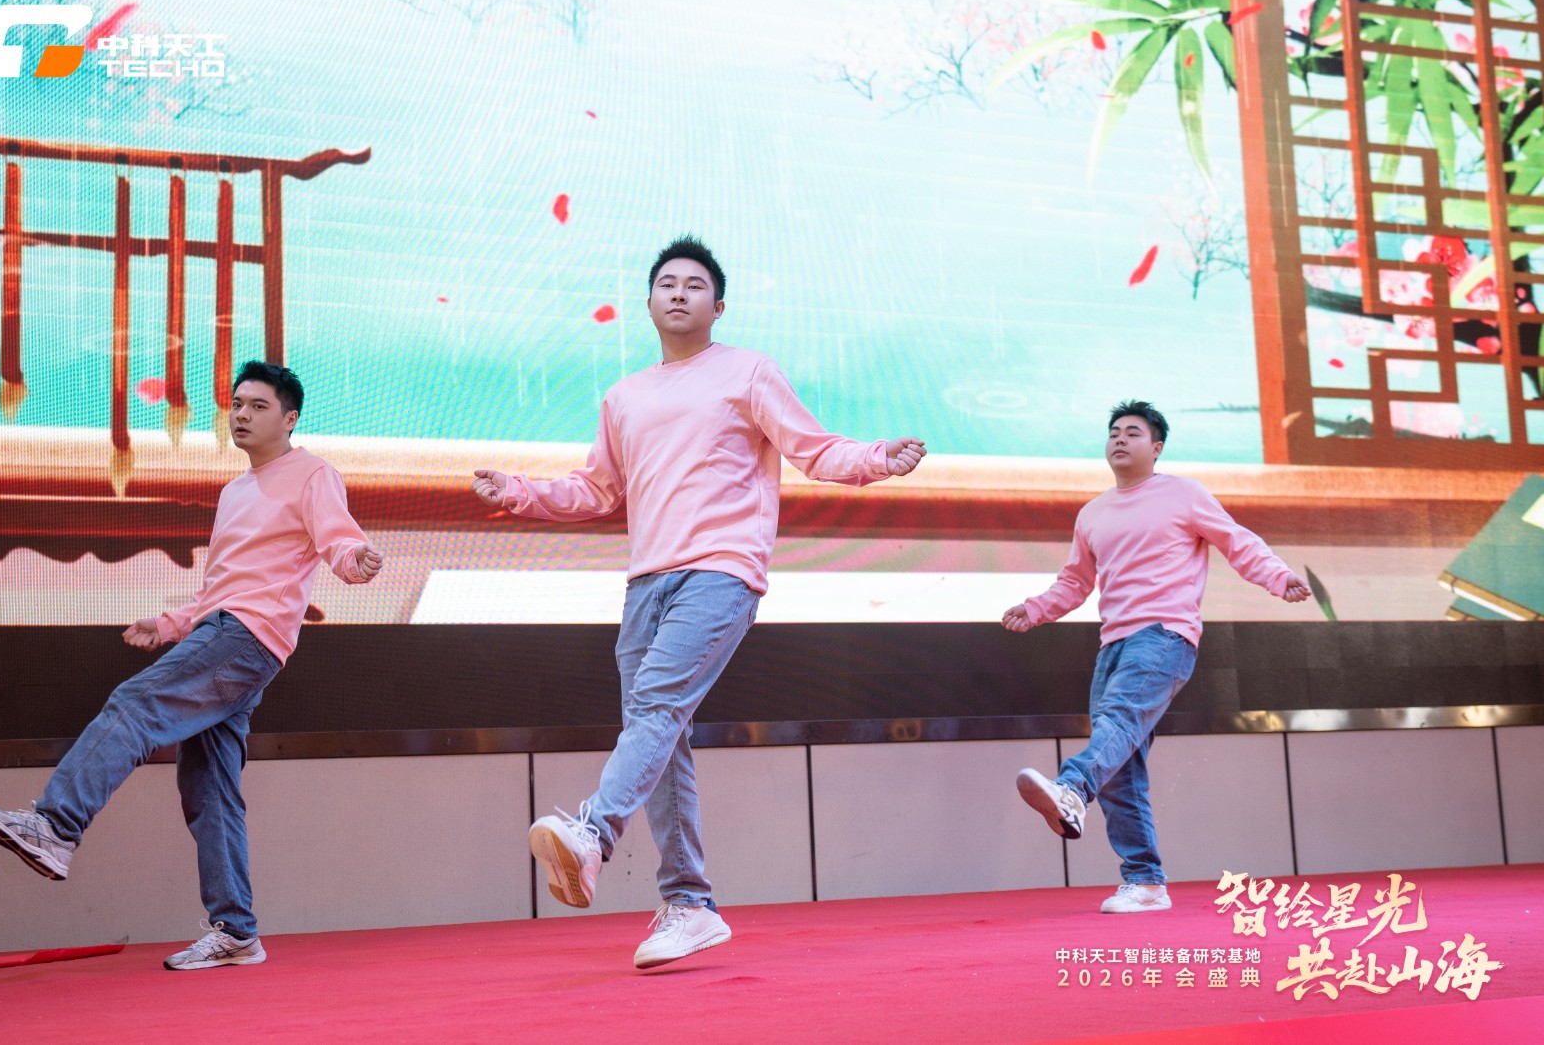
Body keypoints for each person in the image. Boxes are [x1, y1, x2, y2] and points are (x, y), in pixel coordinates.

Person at [472, 235, 926, 968]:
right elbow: (597, 489)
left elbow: (813, 448)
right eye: (666, 284)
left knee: (656, 706)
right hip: (645, 583)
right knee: (661, 735)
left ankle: (592, 832)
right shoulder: (624, 397)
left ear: (719, 306)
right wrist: (518, 491)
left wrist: (878, 457)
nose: (678, 293)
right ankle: (688, 905)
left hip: (721, 571)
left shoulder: (748, 371)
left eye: (694, 285)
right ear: (649, 303)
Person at [0, 361, 384, 969]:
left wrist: (356, 561)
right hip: (231, 632)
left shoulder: (312, 473)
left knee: (135, 704)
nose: (241, 415)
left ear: (289, 418)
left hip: (247, 635)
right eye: (236, 404)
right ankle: (236, 931)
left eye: (258, 406)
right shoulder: (235, 492)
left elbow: (339, 540)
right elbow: (221, 587)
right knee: (210, 787)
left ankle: (55, 827)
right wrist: (168, 624)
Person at [1002, 400, 1308, 913]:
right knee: (1119, 762)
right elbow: (1076, 582)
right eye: (1114, 432)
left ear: (1157, 447)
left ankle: (1072, 788)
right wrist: (1034, 609)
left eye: (1133, 432)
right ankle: (1145, 883)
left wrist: (1278, 576)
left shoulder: (1183, 493)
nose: (1120, 439)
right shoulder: (1092, 512)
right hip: (1112, 644)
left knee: (1118, 721)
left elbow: (1237, 541)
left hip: (1165, 634)